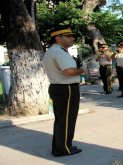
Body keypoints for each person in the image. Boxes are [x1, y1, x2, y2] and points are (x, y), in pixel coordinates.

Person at [43, 26, 84, 156]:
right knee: (67, 119)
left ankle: (61, 146)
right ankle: (64, 148)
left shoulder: (53, 51)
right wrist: (82, 70)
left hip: (59, 88)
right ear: (58, 38)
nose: (73, 38)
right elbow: (69, 71)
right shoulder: (59, 52)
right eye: (69, 36)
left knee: (61, 119)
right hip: (66, 89)